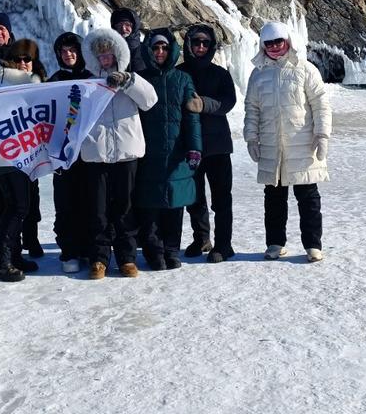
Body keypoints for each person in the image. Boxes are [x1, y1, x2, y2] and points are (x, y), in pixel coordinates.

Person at [243, 21, 330, 263]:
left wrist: (322, 134)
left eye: (278, 41)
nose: (274, 47)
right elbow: (252, 109)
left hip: (302, 145)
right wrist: (251, 137)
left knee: (308, 198)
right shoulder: (258, 74)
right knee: (274, 199)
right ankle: (275, 243)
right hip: (272, 146)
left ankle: (313, 245)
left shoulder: (305, 69)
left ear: (288, 41)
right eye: (268, 43)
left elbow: (321, 104)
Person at [79, 27, 158, 279]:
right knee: (98, 209)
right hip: (97, 153)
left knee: (125, 207)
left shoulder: (131, 78)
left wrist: (127, 81)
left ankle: (127, 258)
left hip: (126, 153)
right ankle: (99, 258)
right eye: (100, 55)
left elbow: (150, 100)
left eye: (108, 54)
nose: (105, 59)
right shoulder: (87, 83)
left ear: (117, 55)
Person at [135, 29, 203, 270]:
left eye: (164, 47)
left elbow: (192, 117)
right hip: (148, 154)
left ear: (171, 49)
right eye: (155, 47)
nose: (160, 52)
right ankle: (154, 253)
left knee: (175, 206)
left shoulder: (183, 79)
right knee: (150, 207)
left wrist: (195, 148)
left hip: (177, 153)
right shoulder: (140, 79)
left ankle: (172, 251)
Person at [0, 13, 46, 258]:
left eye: (3, 29)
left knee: (29, 193)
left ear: (9, 33)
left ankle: (30, 236)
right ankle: (9, 248)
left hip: (27, 143)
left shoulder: (22, 57)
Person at [180, 24, 238, 263]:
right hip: (189, 146)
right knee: (194, 198)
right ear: (189, 45)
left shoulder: (220, 74)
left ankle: (224, 244)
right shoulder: (179, 73)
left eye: (205, 43)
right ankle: (201, 238)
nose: (201, 47)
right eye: (196, 42)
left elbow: (228, 102)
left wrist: (204, 104)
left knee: (221, 198)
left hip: (217, 146)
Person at [48, 32, 92, 273]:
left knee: (90, 202)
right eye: (63, 51)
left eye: (72, 50)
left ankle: (88, 248)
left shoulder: (92, 79)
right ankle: (69, 251)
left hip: (89, 152)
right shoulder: (54, 81)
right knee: (65, 204)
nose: (68, 54)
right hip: (63, 154)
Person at [111, 7, 151, 74]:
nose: (123, 29)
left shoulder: (143, 52)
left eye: (127, 25)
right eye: (119, 25)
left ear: (134, 26)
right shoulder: (107, 47)